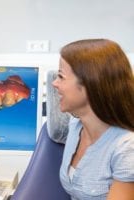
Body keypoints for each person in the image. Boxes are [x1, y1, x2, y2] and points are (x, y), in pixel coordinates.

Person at [52, 39, 134, 199]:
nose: (54, 83)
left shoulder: (126, 149)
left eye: (61, 76)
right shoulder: (75, 125)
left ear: (91, 84)